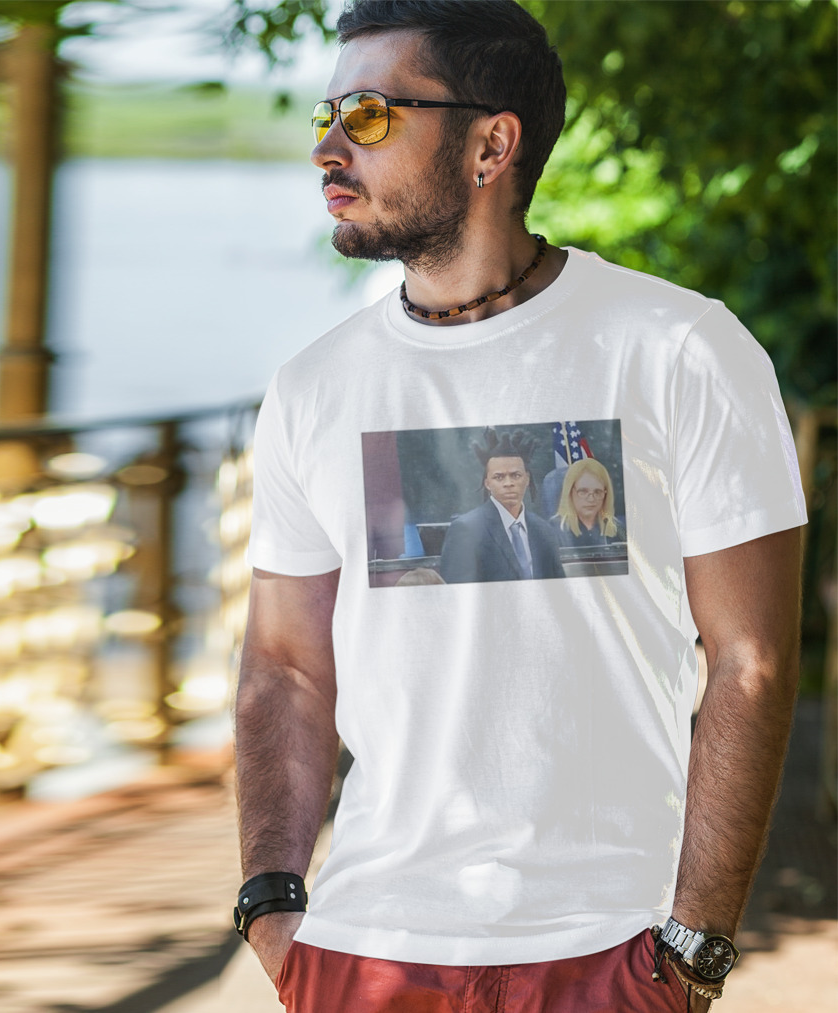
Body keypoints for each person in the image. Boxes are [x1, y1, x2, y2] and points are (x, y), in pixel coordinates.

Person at [234, 3, 807, 1011]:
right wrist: (274, 908)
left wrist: (695, 949)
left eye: (367, 116)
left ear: (492, 142)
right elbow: (284, 660)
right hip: (366, 952)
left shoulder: (678, 349)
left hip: (609, 947)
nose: (327, 147)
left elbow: (750, 660)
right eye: (327, 115)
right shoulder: (314, 386)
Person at [439, 428, 564, 582]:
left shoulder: (544, 531)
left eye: (515, 475)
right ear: (487, 483)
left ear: (527, 479)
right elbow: (459, 595)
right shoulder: (467, 530)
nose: (508, 483)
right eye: (499, 477)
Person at [552, 458, 626, 547]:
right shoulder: (553, 530)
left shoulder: (617, 528)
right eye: (583, 491)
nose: (591, 499)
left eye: (598, 492)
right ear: (570, 492)